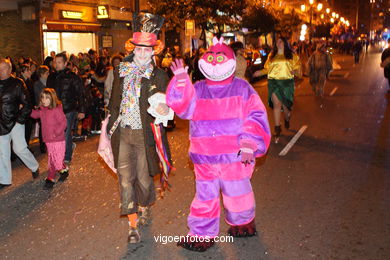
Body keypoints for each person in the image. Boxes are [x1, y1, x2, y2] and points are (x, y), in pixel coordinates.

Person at [166, 36, 271, 252]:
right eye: (210, 57)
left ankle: (242, 223)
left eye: (220, 57)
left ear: (231, 61)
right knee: (205, 196)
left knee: (237, 192)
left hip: (234, 156)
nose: (214, 62)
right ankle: (201, 233)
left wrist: (250, 142)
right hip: (204, 157)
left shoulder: (242, 88)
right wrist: (180, 80)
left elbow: (256, 115)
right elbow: (182, 108)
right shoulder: (198, 88)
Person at [107, 12, 171, 244]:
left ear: (153, 50)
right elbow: (114, 102)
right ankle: (132, 225)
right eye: (139, 49)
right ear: (133, 48)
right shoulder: (120, 70)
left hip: (145, 136)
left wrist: (164, 109)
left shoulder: (159, 75)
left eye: (147, 49)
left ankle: (145, 206)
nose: (142, 53)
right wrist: (109, 128)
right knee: (125, 180)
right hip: (123, 133)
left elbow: (163, 102)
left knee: (144, 180)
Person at [0, 58, 39, 189]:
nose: (0, 71)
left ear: (10, 69)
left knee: (19, 149)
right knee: (2, 152)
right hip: (1, 123)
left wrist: (20, 120)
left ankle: (34, 166)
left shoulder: (17, 83)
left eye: (3, 68)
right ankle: (5, 179)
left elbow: (27, 104)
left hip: (15, 120)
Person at [46, 53, 86, 165]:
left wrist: (82, 110)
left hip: (68, 109)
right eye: (55, 62)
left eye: (59, 62)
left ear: (65, 63)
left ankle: (66, 155)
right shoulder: (51, 77)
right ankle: (58, 153)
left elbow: (81, 94)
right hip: (54, 110)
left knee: (66, 133)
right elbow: (47, 94)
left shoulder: (73, 77)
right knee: (56, 134)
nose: (57, 65)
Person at [260, 36, 301, 143]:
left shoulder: (292, 56)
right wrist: (258, 73)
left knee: (286, 107)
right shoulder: (271, 56)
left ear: (285, 43)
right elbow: (267, 69)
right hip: (274, 83)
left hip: (287, 84)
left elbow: (298, 69)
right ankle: (277, 128)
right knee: (277, 105)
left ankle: (287, 118)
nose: (278, 43)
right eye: (277, 42)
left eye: (281, 42)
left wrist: (295, 72)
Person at [31, 89, 68, 189]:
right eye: (42, 97)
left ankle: (50, 179)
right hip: (48, 140)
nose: (44, 100)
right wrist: (26, 110)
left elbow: (63, 122)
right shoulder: (42, 110)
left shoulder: (56, 109)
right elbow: (35, 115)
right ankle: (64, 170)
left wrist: (56, 133)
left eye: (47, 98)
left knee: (53, 160)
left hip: (57, 140)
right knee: (56, 159)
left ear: (52, 98)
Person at [33, 65, 50, 153]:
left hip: (49, 107)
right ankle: (42, 146)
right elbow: (38, 97)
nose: (48, 74)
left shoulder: (48, 82)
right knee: (42, 127)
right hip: (41, 108)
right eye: (47, 73)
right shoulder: (37, 84)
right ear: (42, 74)